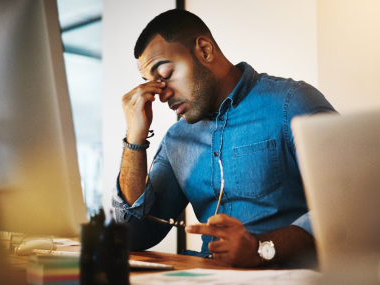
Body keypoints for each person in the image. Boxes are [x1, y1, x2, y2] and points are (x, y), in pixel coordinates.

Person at [111, 9, 336, 267]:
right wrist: (134, 139)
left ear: (205, 50)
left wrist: (260, 247)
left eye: (165, 75)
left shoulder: (292, 103)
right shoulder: (177, 139)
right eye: (151, 84)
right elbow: (133, 236)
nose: (161, 95)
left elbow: (349, 205)